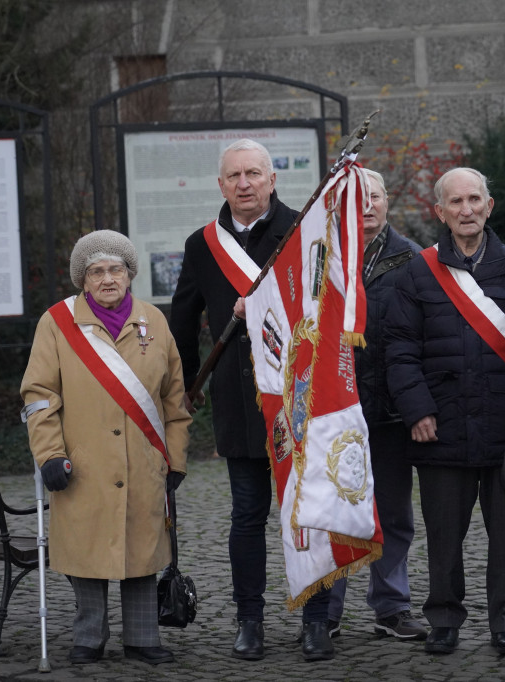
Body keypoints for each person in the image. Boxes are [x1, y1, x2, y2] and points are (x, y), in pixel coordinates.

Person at [170, 138, 334, 661]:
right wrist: (188, 383)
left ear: (272, 179)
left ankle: (316, 621)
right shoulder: (202, 245)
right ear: (221, 185)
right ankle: (250, 621)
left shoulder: (301, 231)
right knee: (247, 515)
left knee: (308, 514)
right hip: (240, 403)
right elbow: (182, 319)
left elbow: (326, 308)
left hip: (298, 398)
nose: (244, 183)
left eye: (254, 174)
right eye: (234, 175)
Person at [385, 167, 505, 656]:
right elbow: (399, 348)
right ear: (440, 212)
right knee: (443, 537)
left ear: (489, 205)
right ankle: (443, 620)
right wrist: (416, 410)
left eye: (474, 199)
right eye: (455, 202)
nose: (466, 210)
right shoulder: (419, 271)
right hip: (440, 426)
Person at [20, 229, 191, 666]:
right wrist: (49, 454)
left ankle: (141, 638)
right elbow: (39, 396)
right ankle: (89, 638)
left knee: (141, 551)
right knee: (87, 554)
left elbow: (175, 399)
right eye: (96, 271)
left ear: (130, 273)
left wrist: (175, 456)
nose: (107, 279)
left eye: (116, 269)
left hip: (145, 461)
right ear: (83, 279)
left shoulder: (154, 320)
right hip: (83, 463)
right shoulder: (56, 323)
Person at [327, 169, 427, 641]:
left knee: (392, 513)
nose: (366, 205)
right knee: (335, 511)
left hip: (388, 411)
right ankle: (326, 608)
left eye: (374, 196)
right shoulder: (321, 258)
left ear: (388, 201)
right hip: (335, 411)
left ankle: (392, 606)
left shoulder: (414, 260)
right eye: (356, 198)